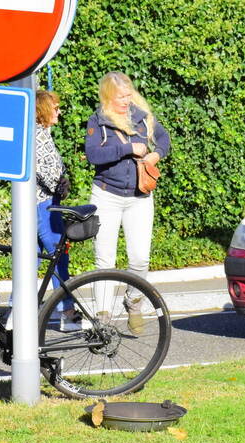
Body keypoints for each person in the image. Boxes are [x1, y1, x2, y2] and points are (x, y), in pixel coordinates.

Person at [84, 71, 171, 333]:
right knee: (104, 260)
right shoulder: (97, 121)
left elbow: (164, 140)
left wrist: (156, 154)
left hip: (139, 198)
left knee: (140, 259)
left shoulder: (143, 117)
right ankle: (103, 316)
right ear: (109, 96)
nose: (126, 100)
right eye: (121, 96)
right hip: (106, 196)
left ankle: (134, 301)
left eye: (128, 94)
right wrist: (128, 149)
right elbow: (93, 155)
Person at [34, 89, 79, 331]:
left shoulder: (40, 133)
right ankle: (67, 311)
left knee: (30, 259)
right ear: (43, 111)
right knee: (58, 256)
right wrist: (59, 185)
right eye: (56, 108)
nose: (59, 112)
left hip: (36, 203)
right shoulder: (39, 136)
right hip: (45, 203)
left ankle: (18, 311)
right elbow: (45, 170)